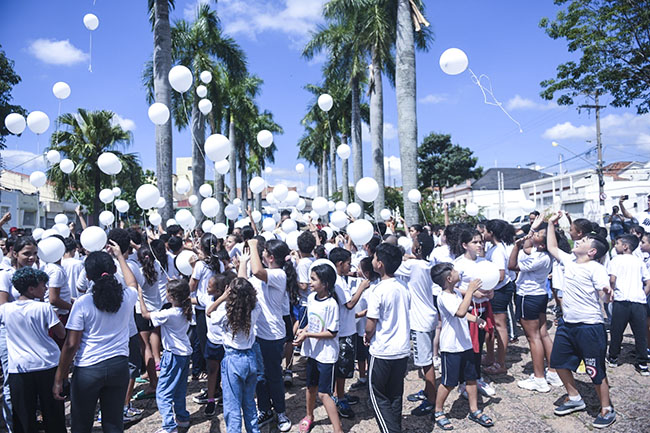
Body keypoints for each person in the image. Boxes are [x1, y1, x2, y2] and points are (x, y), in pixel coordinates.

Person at [53, 243, 138, 432]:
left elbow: (71, 344)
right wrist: (120, 256)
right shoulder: (126, 297)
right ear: (114, 270)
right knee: (114, 423)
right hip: (119, 366)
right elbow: (133, 284)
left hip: (89, 370)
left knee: (82, 425)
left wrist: (60, 377)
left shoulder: (83, 303)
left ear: (89, 276)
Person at [546, 211, 616, 428]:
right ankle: (575, 397)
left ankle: (606, 408)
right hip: (568, 324)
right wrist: (550, 224)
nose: (577, 240)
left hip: (590, 326)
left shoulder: (596, 268)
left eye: (583, 240)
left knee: (595, 370)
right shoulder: (570, 260)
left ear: (592, 251)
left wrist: (607, 293)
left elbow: (603, 295)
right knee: (558, 362)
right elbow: (552, 247)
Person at [0, 267, 66, 433]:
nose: (45, 289)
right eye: (42, 285)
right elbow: (61, 332)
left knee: (23, 416)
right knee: (53, 415)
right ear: (31, 288)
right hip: (47, 364)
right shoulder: (43, 308)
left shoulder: (5, 309)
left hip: (19, 368)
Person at [430, 262, 494, 430]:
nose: (459, 272)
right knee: (449, 382)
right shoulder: (444, 297)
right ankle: (438, 411)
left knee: (471, 378)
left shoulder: (456, 293)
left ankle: (474, 410)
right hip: (451, 347)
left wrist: (476, 319)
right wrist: (471, 291)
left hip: (465, 344)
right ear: (449, 278)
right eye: (455, 271)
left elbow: (465, 313)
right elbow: (459, 312)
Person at [245, 238, 295, 432]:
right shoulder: (263, 276)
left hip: (273, 336)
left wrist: (252, 246)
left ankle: (280, 412)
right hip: (256, 334)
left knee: (274, 376)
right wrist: (243, 262)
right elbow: (246, 279)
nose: (261, 254)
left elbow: (257, 270)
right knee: (259, 377)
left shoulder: (278, 274)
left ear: (271, 257)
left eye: (264, 252)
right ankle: (264, 409)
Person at [508, 223, 561, 392]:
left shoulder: (539, 258)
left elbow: (512, 266)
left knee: (533, 338)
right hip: (539, 296)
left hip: (527, 297)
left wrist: (516, 246)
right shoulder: (542, 253)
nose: (535, 234)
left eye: (538, 234)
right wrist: (533, 229)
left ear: (543, 244)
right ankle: (553, 371)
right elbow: (528, 245)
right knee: (543, 333)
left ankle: (539, 379)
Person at [206, 275, 262, 433]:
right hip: (250, 358)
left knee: (232, 406)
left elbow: (209, 312)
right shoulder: (255, 309)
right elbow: (254, 301)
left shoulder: (225, 311)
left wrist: (223, 298)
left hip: (232, 359)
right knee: (249, 404)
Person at [365, 243, 411, 433]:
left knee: (376, 396)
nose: (373, 261)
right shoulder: (403, 286)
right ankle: (395, 427)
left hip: (383, 351)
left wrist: (368, 336)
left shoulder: (378, 290)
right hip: (402, 350)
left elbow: (371, 324)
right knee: (394, 395)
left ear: (380, 264)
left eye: (375, 258)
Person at [138, 279, 193, 433]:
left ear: (172, 297)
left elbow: (145, 314)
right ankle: (182, 418)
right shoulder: (186, 309)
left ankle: (169, 426)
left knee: (163, 392)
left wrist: (140, 297)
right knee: (180, 389)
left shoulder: (169, 313)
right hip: (185, 353)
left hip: (173, 355)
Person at [294, 264, 343, 433]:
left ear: (326, 283)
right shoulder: (311, 298)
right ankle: (309, 416)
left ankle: (338, 429)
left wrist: (308, 335)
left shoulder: (331, 304)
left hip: (326, 355)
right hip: (313, 352)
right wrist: (304, 331)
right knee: (310, 387)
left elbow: (332, 332)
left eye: (314, 279)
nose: (310, 282)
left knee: (324, 394)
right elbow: (312, 322)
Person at [396, 232, 438, 416]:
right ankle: (428, 392)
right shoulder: (427, 264)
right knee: (426, 359)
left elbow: (392, 266)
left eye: (413, 242)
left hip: (420, 321)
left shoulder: (412, 265)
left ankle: (432, 401)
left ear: (418, 247)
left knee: (426, 362)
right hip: (429, 316)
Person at [452, 228, 496, 398]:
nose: (479, 245)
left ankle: (476, 377)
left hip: (483, 308)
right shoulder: (458, 264)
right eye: (475, 242)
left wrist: (490, 292)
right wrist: (470, 293)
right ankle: (465, 381)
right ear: (464, 245)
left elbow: (489, 282)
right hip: (468, 311)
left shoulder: (484, 262)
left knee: (480, 344)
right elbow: (451, 287)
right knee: (468, 347)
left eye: (480, 241)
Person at [0, 235, 38, 432]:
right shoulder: (5, 274)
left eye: (34, 254)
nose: (31, 258)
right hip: (9, 333)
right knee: (11, 379)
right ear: (15, 253)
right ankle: (13, 425)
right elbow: (3, 305)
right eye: (26, 254)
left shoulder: (34, 273)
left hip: (32, 332)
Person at [329, 247, 366, 418]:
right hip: (343, 332)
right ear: (340, 264)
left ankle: (340, 394)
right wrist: (362, 287)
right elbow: (349, 304)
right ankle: (339, 397)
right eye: (348, 264)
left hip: (347, 327)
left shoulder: (340, 279)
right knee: (342, 367)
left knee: (344, 367)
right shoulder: (336, 281)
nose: (350, 267)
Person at [606, 234, 650, 375]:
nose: (615, 245)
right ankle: (642, 363)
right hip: (638, 301)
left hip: (621, 300)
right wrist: (643, 294)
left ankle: (613, 357)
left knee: (617, 330)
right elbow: (648, 282)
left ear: (625, 246)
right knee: (640, 333)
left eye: (618, 243)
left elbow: (612, 279)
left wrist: (611, 291)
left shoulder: (616, 260)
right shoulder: (639, 261)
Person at [482, 219, 516, 375]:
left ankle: (501, 363)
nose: (484, 234)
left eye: (485, 231)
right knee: (491, 326)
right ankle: (490, 357)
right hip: (494, 290)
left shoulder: (498, 251)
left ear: (491, 233)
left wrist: (488, 287)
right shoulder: (493, 248)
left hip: (499, 291)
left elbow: (500, 275)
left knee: (500, 326)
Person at [189, 233, 223, 380]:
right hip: (217, 305)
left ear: (202, 247)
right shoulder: (219, 263)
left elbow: (191, 286)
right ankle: (217, 381)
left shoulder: (200, 265)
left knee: (205, 345)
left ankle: (212, 385)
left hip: (202, 307)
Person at [350, 257, 379, 391]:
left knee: (367, 354)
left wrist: (357, 315)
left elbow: (371, 310)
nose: (356, 271)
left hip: (366, 327)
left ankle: (371, 378)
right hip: (358, 327)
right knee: (360, 355)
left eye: (359, 269)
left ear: (366, 272)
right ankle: (362, 377)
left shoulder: (372, 289)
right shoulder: (361, 284)